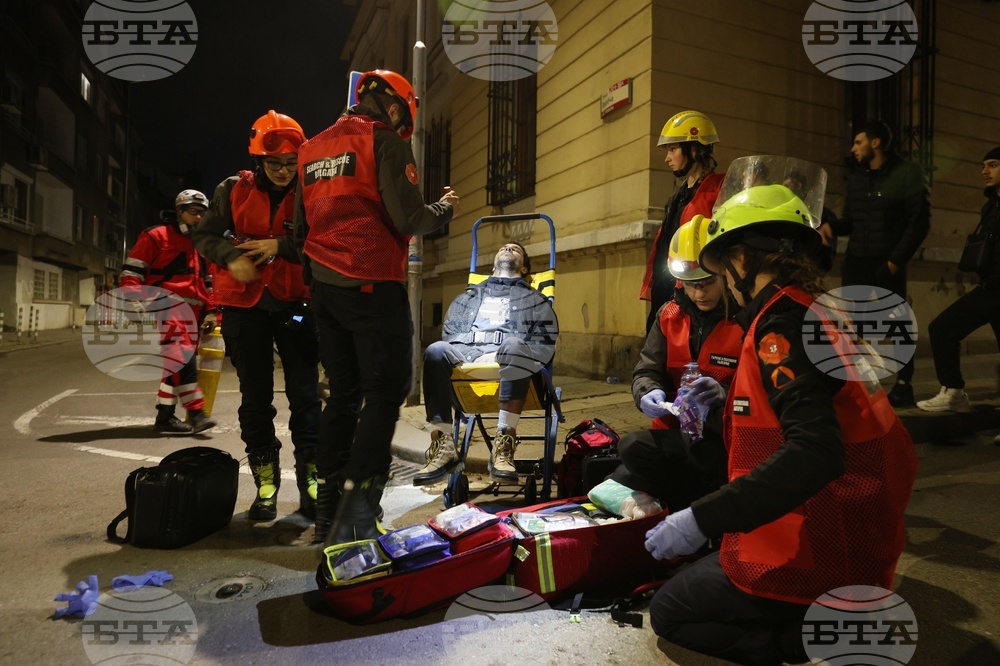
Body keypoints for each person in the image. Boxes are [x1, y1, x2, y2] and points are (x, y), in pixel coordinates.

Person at [644, 158, 917, 666]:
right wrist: (731, 403)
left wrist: (701, 518)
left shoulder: (779, 329)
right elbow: (814, 406)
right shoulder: (807, 311)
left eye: (722, 266)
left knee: (671, 611)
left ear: (742, 260)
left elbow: (815, 450)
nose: (721, 281)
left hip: (820, 535)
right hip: (847, 524)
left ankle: (801, 640)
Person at [294, 69, 460, 546]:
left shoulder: (312, 148)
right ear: (392, 106)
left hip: (324, 288)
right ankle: (358, 507)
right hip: (371, 283)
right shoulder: (383, 141)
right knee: (385, 393)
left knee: (343, 394)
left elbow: (298, 231)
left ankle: (328, 509)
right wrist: (443, 208)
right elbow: (409, 218)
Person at [192, 110, 321, 522]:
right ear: (257, 161)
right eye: (274, 163)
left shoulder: (313, 192)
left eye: (291, 162)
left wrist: (278, 247)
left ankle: (311, 484)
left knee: (305, 397)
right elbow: (206, 236)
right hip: (244, 309)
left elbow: (324, 243)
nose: (284, 171)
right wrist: (231, 257)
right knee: (255, 400)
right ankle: (266, 485)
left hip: (295, 305)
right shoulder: (231, 189)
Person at [610, 219, 742, 512]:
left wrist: (724, 395)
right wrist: (647, 393)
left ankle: (697, 508)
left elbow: (759, 391)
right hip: (678, 435)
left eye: (707, 283)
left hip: (724, 439)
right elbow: (647, 369)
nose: (699, 293)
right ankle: (695, 503)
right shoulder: (668, 315)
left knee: (638, 479)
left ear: (724, 274)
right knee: (627, 453)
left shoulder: (744, 319)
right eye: (692, 285)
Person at [414, 242, 559, 486]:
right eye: (504, 247)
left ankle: (504, 442)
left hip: (512, 360)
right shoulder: (468, 298)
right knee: (435, 350)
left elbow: (544, 341)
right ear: (492, 267)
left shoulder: (535, 300)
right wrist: (470, 350)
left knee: (514, 345)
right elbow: (449, 332)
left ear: (524, 270)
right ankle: (444, 445)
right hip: (467, 361)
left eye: (516, 249)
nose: (508, 248)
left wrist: (523, 351)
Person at [818, 120, 931, 407]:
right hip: (857, 260)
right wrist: (832, 227)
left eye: (858, 142)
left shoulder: (906, 173)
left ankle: (904, 385)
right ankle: (857, 385)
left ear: (875, 143)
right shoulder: (857, 178)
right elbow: (854, 221)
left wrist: (895, 261)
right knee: (854, 325)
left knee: (896, 323)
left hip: (887, 262)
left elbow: (919, 221)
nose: (853, 148)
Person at [120, 189, 218, 435]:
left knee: (174, 363)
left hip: (194, 312)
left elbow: (210, 282)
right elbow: (133, 272)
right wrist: (133, 302)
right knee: (182, 358)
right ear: (179, 212)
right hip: (164, 305)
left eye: (202, 213)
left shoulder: (203, 245)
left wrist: (211, 311)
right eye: (192, 212)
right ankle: (196, 414)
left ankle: (165, 417)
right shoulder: (155, 236)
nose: (198, 218)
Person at [917, 147, 1000, 415]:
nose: (985, 171)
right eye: (984, 165)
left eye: (993, 165)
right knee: (942, 328)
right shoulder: (990, 207)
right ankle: (953, 392)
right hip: (989, 289)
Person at [640, 110, 724, 333]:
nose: (667, 158)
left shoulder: (718, 190)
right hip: (667, 289)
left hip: (695, 290)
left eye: (672, 149)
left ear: (694, 149)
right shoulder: (679, 195)